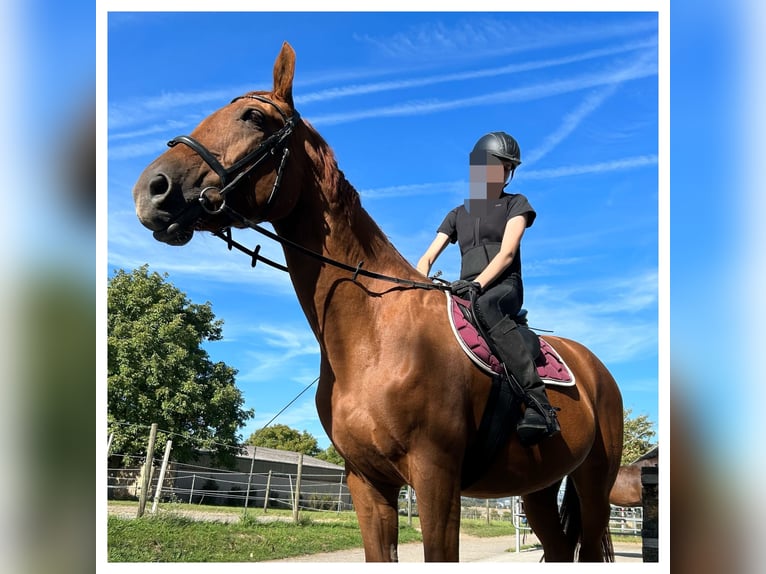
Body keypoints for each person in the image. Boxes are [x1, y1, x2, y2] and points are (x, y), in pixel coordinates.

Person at [417, 131, 560, 447]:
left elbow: (508, 253)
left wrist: (479, 284)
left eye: (506, 168)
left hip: (502, 287)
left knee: (485, 307)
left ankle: (540, 404)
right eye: (495, 166)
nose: (502, 173)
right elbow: (427, 256)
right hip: (464, 289)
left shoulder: (516, 204)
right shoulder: (458, 214)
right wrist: (419, 285)